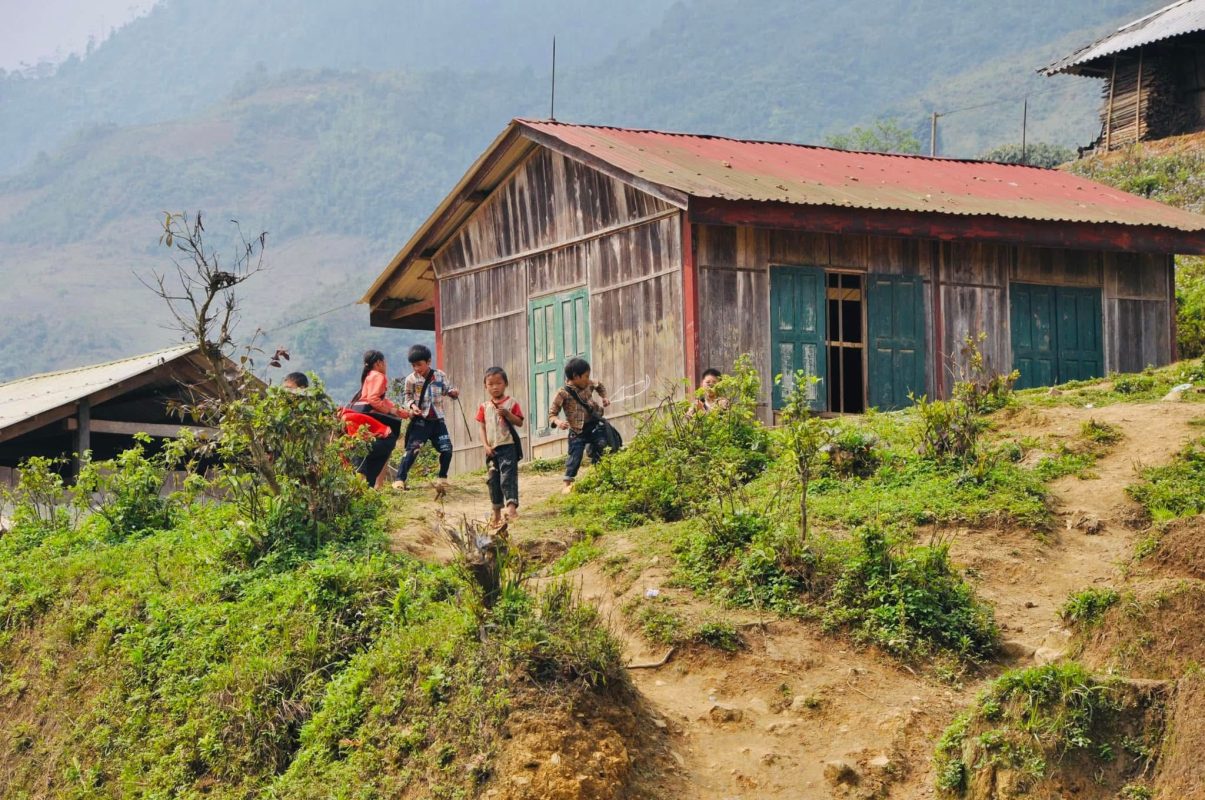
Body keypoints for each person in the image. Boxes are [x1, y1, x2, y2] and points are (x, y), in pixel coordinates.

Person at [394, 344, 459, 490]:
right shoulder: (411, 379)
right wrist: (412, 406)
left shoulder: (440, 375)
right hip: (421, 421)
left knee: (447, 449)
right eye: (413, 365)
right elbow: (407, 396)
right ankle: (399, 480)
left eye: (419, 364)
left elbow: (447, 390)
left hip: (438, 420)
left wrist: (454, 393)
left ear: (428, 361)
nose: (417, 368)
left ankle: (442, 478)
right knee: (412, 450)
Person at [548, 357, 610, 494]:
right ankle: (567, 484)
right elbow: (551, 414)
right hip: (577, 431)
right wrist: (558, 422)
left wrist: (604, 397)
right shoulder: (562, 393)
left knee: (603, 446)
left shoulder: (588, 384)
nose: (588, 379)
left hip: (594, 425)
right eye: (586, 376)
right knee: (575, 456)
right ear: (576, 376)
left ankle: (602, 476)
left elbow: (599, 385)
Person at [348, 350, 407, 487]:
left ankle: (371, 484)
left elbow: (380, 399)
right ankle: (376, 484)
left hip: (360, 416)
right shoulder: (379, 376)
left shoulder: (368, 375)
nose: (385, 365)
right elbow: (373, 399)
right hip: (372, 418)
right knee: (389, 440)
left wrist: (398, 411)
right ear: (379, 363)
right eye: (384, 362)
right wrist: (391, 411)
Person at [476, 366, 524, 525]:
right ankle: (496, 513)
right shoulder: (484, 406)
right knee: (493, 480)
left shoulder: (512, 403)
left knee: (507, 477)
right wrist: (485, 445)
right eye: (490, 384)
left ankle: (511, 509)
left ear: (506, 384)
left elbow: (519, 422)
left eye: (499, 383)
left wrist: (508, 414)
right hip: (491, 450)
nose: (495, 387)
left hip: (508, 446)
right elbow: (482, 427)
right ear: (485, 386)